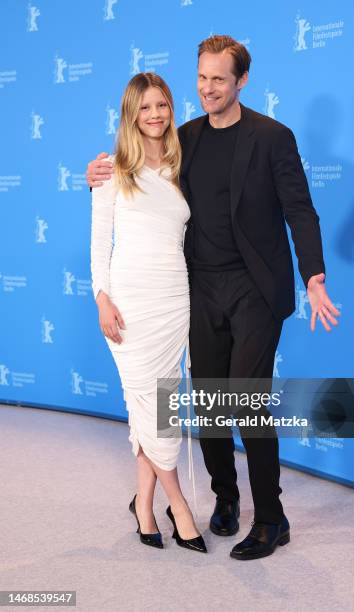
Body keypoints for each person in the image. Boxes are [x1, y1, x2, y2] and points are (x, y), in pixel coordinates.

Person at [87, 35, 340, 561]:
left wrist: (313, 275)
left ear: (241, 80)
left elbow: (300, 210)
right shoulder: (185, 139)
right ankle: (226, 500)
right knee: (210, 405)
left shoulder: (273, 137)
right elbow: (141, 180)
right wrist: (92, 177)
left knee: (246, 401)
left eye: (218, 79)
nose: (207, 88)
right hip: (198, 289)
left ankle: (271, 517)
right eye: (201, 78)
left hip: (255, 289)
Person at [90, 72, 206, 554]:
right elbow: (100, 243)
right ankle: (178, 506)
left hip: (175, 301)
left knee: (154, 408)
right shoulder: (112, 169)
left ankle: (143, 505)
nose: (155, 115)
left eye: (162, 106)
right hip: (130, 305)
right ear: (131, 115)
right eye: (145, 108)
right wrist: (102, 297)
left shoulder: (183, 167)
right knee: (152, 408)